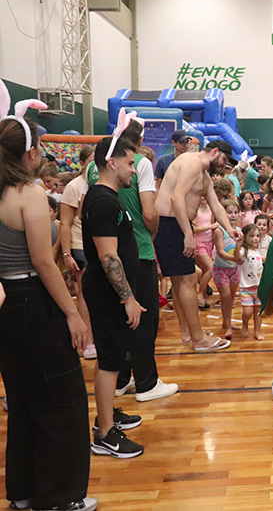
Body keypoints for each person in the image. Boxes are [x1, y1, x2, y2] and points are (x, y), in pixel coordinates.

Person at [0, 99, 96, 510]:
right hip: (32, 300)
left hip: (6, 306)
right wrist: (73, 313)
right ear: (31, 153)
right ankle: (59, 496)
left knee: (22, 399)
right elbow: (42, 261)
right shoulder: (29, 193)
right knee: (62, 399)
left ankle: (23, 490)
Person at [86, 120, 179, 403]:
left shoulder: (93, 170)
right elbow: (149, 214)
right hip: (133, 253)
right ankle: (146, 382)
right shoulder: (139, 166)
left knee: (120, 329)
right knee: (143, 320)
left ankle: (121, 379)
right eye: (129, 163)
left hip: (113, 256)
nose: (133, 167)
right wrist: (151, 234)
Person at [81, 135, 146, 459]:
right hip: (108, 294)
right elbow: (108, 257)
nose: (134, 170)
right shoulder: (104, 201)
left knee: (113, 357)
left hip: (110, 293)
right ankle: (105, 434)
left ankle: (107, 415)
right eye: (130, 163)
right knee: (109, 361)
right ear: (112, 163)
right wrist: (128, 298)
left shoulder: (108, 197)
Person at [154, 140, 241, 351]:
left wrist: (230, 229)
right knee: (187, 279)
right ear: (215, 151)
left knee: (180, 281)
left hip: (174, 225)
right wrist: (188, 233)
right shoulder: (192, 163)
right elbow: (176, 198)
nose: (224, 165)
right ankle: (198, 338)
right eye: (224, 160)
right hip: (171, 225)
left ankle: (188, 334)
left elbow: (216, 205)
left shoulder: (203, 174)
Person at [60, 145, 98, 360]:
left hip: (101, 245)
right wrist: (67, 254)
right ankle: (89, 341)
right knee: (84, 292)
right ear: (82, 164)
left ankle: (99, 337)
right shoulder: (74, 187)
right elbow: (65, 223)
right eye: (91, 161)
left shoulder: (102, 184)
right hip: (80, 245)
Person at [212, 199, 242, 341]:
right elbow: (220, 252)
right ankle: (228, 325)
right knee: (225, 296)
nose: (233, 215)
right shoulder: (219, 230)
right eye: (229, 212)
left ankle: (227, 321)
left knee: (231, 298)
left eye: (235, 212)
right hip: (221, 269)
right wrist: (235, 259)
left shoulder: (239, 230)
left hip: (234, 269)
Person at [235, 223, 264, 340]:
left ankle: (257, 332)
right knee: (247, 312)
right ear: (245, 237)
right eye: (252, 236)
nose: (255, 238)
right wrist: (237, 246)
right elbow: (237, 257)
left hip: (259, 287)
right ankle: (245, 324)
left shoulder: (257, 252)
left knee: (258, 311)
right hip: (246, 287)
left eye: (257, 236)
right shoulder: (243, 251)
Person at [193, 196, 217, 309]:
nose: (203, 197)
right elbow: (194, 229)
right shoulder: (195, 209)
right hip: (199, 242)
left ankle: (200, 294)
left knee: (204, 271)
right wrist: (210, 226)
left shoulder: (211, 209)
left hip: (209, 242)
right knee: (211, 268)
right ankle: (200, 293)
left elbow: (213, 229)